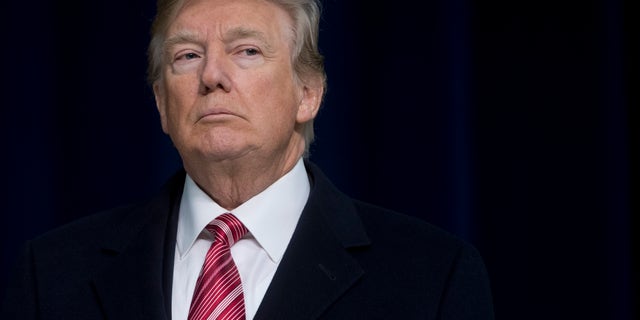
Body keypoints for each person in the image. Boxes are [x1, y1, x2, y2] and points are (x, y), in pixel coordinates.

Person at [0, 0, 495, 319]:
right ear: (160, 103)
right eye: (187, 55)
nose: (212, 74)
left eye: (247, 50)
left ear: (309, 92)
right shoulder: (51, 274)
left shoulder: (433, 277)